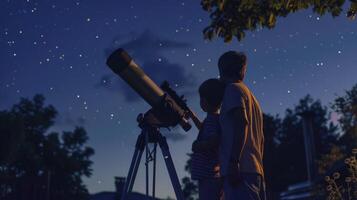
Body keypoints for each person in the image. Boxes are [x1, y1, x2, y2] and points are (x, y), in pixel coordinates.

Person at [218, 51, 266, 200]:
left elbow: (241, 123)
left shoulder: (233, 89)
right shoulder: (251, 97)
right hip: (254, 168)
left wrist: (233, 161)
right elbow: (261, 139)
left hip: (240, 169)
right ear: (242, 70)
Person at [188, 78, 225, 200]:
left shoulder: (213, 121)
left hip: (209, 174)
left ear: (204, 101)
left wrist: (197, 146)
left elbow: (213, 142)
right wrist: (193, 117)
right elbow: (203, 130)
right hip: (209, 174)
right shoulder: (213, 119)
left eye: (201, 98)